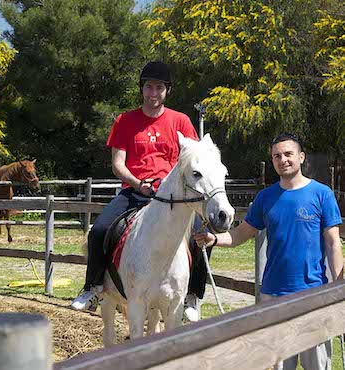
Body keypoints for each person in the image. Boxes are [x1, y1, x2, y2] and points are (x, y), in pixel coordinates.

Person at [71, 60, 211, 321]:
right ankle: (92, 287)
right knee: (99, 230)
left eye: (159, 87)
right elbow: (117, 164)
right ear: (142, 89)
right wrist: (137, 183)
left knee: (201, 234)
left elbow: (195, 159)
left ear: (167, 90)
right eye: (149, 87)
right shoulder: (125, 121)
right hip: (135, 191)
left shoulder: (180, 121)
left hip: (173, 198)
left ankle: (193, 294)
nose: (153, 93)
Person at [194, 132, 344, 370]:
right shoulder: (266, 197)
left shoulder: (322, 194)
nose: (282, 159)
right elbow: (240, 234)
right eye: (276, 156)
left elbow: (333, 243)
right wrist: (215, 239)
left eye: (287, 154)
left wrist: (338, 285)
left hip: (313, 296)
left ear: (301, 157)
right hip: (273, 296)